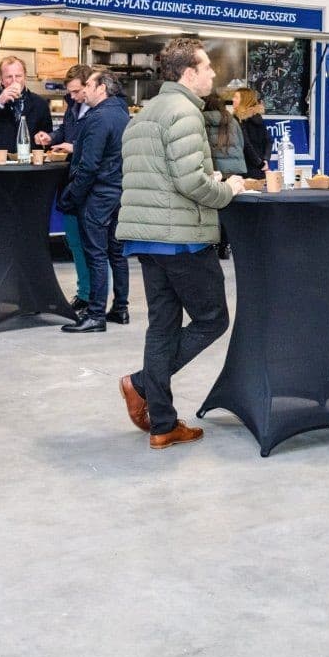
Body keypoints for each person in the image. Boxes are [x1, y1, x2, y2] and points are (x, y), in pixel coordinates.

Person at [115, 39, 244, 449]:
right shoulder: (185, 113)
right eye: (207, 67)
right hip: (182, 240)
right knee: (212, 319)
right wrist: (228, 190)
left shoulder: (142, 114)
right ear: (188, 73)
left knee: (163, 325)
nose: (212, 75)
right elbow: (191, 182)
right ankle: (140, 384)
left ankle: (163, 425)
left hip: (147, 238)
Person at [60, 69, 132, 333]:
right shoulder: (122, 114)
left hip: (98, 195)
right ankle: (120, 308)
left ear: (102, 88)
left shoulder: (98, 117)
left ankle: (95, 314)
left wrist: (72, 195)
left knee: (96, 254)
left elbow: (88, 165)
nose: (85, 89)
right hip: (119, 191)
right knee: (117, 252)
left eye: (89, 84)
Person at [51, 63, 95, 318]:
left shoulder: (104, 110)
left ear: (90, 85)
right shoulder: (73, 106)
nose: (74, 97)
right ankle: (84, 293)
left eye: (77, 91)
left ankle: (95, 300)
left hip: (90, 186)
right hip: (70, 183)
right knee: (75, 242)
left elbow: (99, 145)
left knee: (92, 246)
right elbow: (64, 132)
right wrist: (52, 138)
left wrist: (73, 147)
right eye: (70, 93)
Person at [0, 55, 52, 153]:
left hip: (29, 165)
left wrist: (44, 138)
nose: (14, 81)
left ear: (25, 77)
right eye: (9, 77)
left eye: (18, 76)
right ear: (1, 79)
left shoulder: (40, 103)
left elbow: (49, 138)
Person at [204, 93, 247, 176]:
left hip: (214, 169)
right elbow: (241, 143)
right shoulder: (233, 121)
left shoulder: (202, 120)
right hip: (235, 168)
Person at [233, 86, 270, 179]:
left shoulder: (239, 119)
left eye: (236, 97)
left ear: (244, 100)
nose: (233, 99)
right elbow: (269, 141)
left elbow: (246, 144)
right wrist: (265, 160)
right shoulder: (258, 117)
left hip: (245, 170)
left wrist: (260, 163)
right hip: (259, 171)